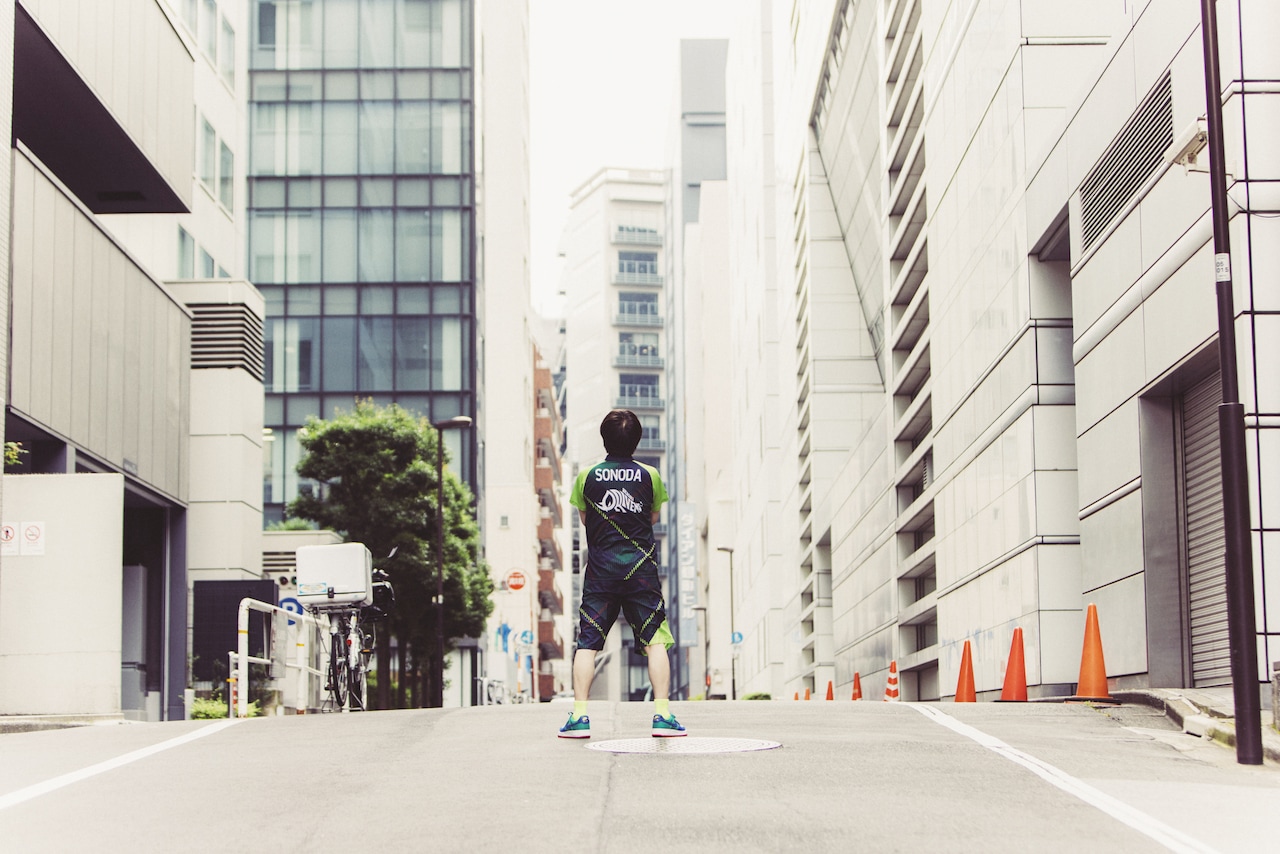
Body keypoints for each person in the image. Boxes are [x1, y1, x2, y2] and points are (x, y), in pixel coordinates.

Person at [558, 409, 686, 738]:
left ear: (604, 438)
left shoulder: (586, 476)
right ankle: (661, 715)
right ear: (637, 439)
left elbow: (586, 520)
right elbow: (653, 517)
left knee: (588, 643)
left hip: (601, 570)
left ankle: (580, 718)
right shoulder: (650, 476)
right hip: (641, 569)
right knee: (656, 640)